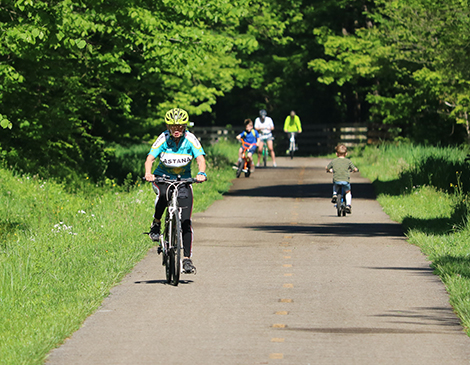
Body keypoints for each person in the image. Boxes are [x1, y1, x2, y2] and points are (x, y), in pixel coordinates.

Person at [144, 108, 207, 274]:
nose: (176, 130)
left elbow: (200, 158)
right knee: (164, 194)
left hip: (183, 181)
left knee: (186, 221)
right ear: (168, 126)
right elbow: (150, 158)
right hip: (162, 179)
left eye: (180, 126)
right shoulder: (163, 138)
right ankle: (156, 223)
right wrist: (148, 173)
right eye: (173, 127)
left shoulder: (190, 139)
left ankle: (186, 259)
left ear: (185, 126)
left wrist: (201, 173)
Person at [325, 144, 358, 214]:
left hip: (337, 180)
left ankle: (334, 194)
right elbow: (354, 168)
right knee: (348, 192)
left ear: (336, 154)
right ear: (346, 154)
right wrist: (355, 170)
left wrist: (329, 170)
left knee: (335, 185)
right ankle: (348, 205)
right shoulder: (348, 161)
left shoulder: (334, 161)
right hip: (345, 181)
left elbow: (327, 167)